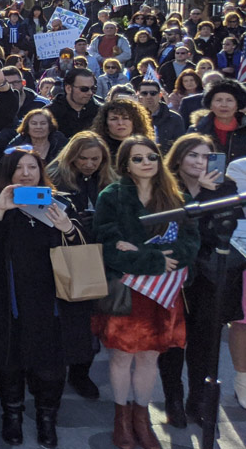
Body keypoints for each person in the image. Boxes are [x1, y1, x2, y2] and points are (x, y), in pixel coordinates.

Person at [0, 148, 90, 448]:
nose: (25, 173)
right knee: (8, 360)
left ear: (41, 172)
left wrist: (67, 227)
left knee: (51, 364)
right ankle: (12, 414)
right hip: (8, 297)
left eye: (32, 167)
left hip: (52, 299)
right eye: (19, 167)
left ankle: (47, 417)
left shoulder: (61, 201)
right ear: (8, 172)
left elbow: (83, 248)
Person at [93, 135, 198, 449]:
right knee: (122, 358)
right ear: (125, 163)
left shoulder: (174, 194)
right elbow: (108, 246)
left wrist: (143, 253)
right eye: (137, 158)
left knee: (150, 358)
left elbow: (190, 243)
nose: (146, 163)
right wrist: (152, 258)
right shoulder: (111, 195)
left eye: (151, 156)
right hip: (128, 290)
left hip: (164, 291)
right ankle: (122, 420)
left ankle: (143, 419)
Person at [156, 134, 243, 429]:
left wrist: (206, 195)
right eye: (193, 155)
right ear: (179, 157)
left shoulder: (226, 187)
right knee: (172, 341)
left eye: (207, 156)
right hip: (172, 274)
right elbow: (168, 230)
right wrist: (194, 199)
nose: (200, 162)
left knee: (204, 343)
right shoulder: (164, 187)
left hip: (208, 275)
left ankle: (198, 400)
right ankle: (173, 399)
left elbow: (220, 232)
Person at [190, 79, 246, 161]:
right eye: (218, 100)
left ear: (237, 104)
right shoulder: (197, 129)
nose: (224, 105)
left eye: (229, 100)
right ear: (210, 105)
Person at [47, 68, 101, 138]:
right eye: (84, 89)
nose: (90, 93)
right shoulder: (50, 113)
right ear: (68, 88)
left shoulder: (100, 111)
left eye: (93, 88)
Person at [136, 80, 185, 152]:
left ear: (160, 95)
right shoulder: (133, 118)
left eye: (153, 93)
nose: (149, 96)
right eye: (144, 93)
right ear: (139, 96)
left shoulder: (175, 118)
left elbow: (180, 146)